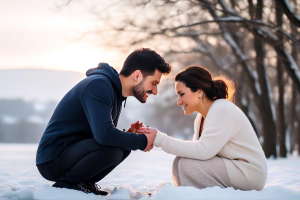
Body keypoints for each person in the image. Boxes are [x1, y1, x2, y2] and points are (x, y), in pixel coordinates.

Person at [36, 48, 171, 195]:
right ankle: (66, 186)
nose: (155, 91)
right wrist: (142, 141)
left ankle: (83, 183)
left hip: (70, 152)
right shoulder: (99, 85)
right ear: (137, 75)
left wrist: (129, 135)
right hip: (53, 158)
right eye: (154, 83)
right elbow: (104, 136)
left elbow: (102, 134)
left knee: (123, 147)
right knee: (113, 149)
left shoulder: (113, 92)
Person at [138, 65, 268, 191]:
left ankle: (190, 196)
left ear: (199, 92)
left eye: (182, 94)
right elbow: (195, 154)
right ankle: (181, 194)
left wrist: (160, 139)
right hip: (232, 167)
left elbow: (203, 151)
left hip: (249, 173)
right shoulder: (200, 119)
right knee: (180, 162)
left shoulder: (221, 108)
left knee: (186, 165)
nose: (179, 102)